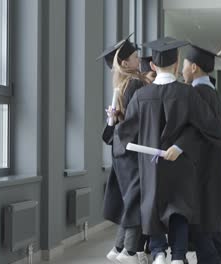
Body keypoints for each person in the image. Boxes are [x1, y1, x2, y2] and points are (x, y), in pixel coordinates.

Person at [114, 37, 221, 264]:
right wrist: (179, 145)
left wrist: (116, 120)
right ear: (176, 64)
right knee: (179, 209)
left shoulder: (140, 96)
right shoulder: (189, 94)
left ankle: (158, 254)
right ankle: (177, 256)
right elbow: (211, 129)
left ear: (153, 66)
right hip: (181, 166)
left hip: (151, 167)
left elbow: (124, 135)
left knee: (153, 206)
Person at [181, 44, 221, 264]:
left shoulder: (196, 93)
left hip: (202, 170)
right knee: (213, 225)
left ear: (194, 67)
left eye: (184, 65)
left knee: (203, 225)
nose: (181, 69)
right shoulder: (211, 91)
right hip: (214, 168)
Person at [97, 33, 150, 264]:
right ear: (124, 63)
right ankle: (128, 251)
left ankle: (119, 247)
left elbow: (121, 122)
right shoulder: (135, 83)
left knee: (130, 200)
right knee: (136, 200)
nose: (139, 60)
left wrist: (117, 118)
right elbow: (137, 120)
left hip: (120, 153)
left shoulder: (121, 84)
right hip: (133, 151)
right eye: (135, 57)